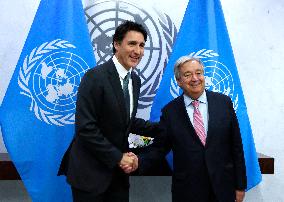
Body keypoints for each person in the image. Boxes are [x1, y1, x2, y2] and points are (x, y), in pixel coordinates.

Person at [58, 20, 160, 202]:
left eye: (142, 45)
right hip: (90, 175)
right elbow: (85, 128)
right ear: (116, 44)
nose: (138, 51)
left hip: (118, 176)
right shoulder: (95, 77)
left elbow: (125, 121)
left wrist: (166, 127)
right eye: (132, 44)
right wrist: (118, 158)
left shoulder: (135, 80)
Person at [135, 56, 247, 202]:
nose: (195, 78)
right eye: (187, 75)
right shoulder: (170, 112)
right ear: (179, 81)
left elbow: (236, 146)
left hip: (223, 188)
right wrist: (137, 161)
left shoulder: (224, 103)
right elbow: (159, 148)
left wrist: (240, 186)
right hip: (188, 191)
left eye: (199, 73)